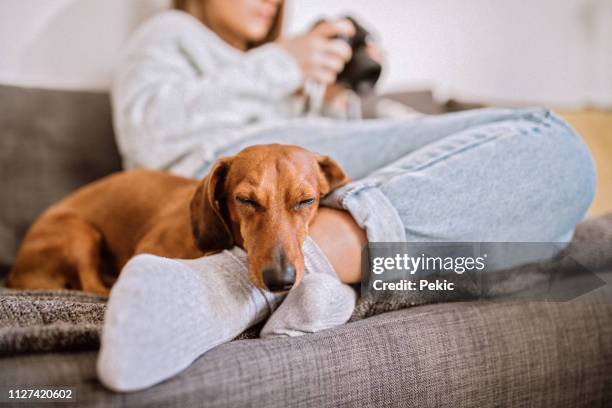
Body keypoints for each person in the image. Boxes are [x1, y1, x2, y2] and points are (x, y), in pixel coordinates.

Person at [97, 0, 597, 391]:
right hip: (235, 160)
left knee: (555, 183)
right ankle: (236, 283)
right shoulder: (171, 35)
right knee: (551, 139)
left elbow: (343, 180)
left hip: (310, 170)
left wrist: (342, 98)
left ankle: (314, 266)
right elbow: (150, 136)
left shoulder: (279, 73)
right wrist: (282, 63)